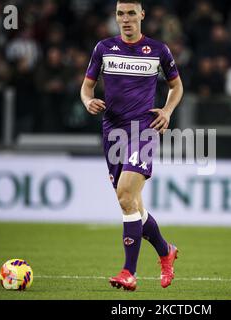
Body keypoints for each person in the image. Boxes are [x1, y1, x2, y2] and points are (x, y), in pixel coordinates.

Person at [80, 0, 184, 291]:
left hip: (143, 130)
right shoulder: (103, 48)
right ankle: (166, 251)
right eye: (120, 14)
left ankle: (129, 271)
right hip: (112, 132)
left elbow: (177, 86)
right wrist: (88, 101)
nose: (125, 19)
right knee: (133, 204)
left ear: (142, 15)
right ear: (116, 16)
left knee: (126, 195)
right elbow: (86, 86)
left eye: (130, 14)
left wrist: (166, 111)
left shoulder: (158, 50)